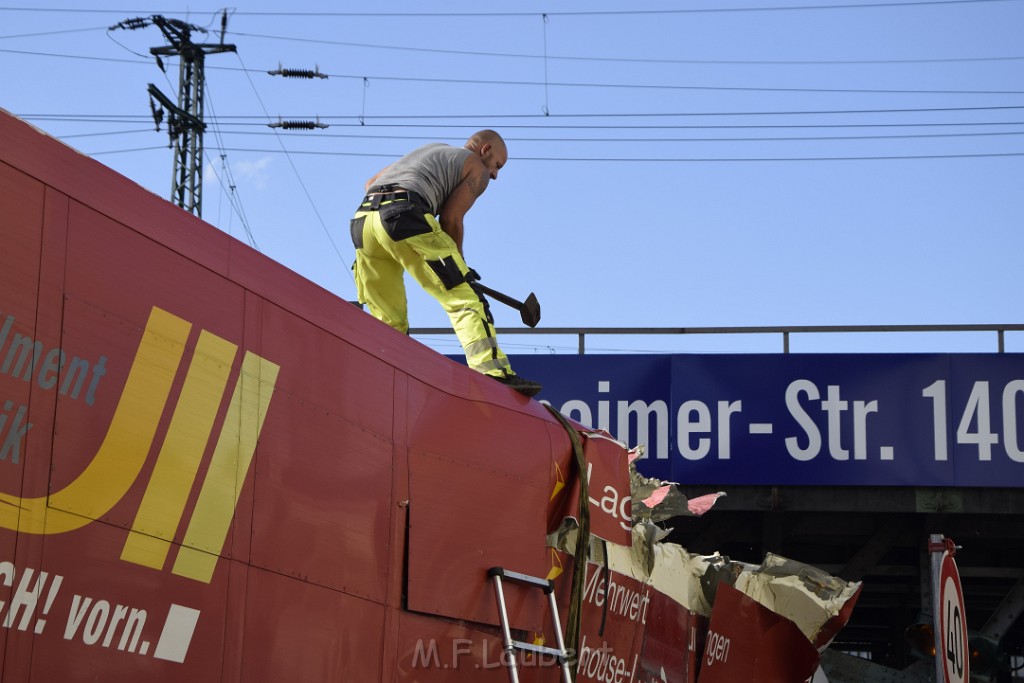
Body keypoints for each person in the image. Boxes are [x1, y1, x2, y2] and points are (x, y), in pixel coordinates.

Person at [349, 130, 542, 397]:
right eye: (498, 165)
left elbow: (370, 182)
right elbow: (451, 218)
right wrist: (459, 267)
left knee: (388, 320)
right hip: (404, 215)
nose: (496, 175)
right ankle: (493, 373)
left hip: (364, 222)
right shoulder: (476, 167)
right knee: (464, 298)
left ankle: (383, 375)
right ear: (485, 150)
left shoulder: (433, 149)